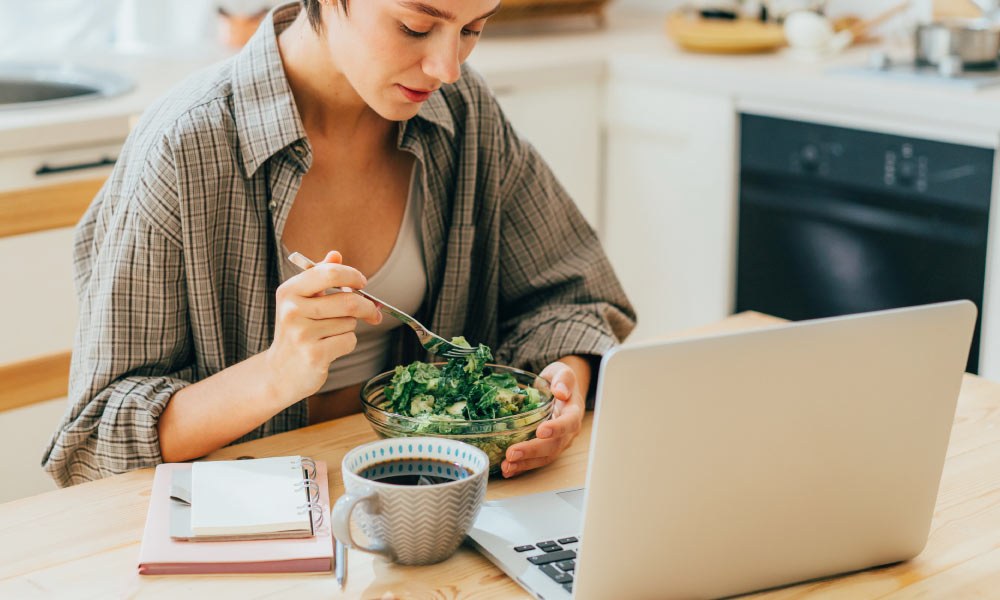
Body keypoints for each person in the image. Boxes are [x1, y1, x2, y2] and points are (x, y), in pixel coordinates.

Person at [42, 0, 635, 487]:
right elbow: (94, 439)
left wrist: (561, 385)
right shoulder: (185, 147)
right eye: (416, 26)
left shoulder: (463, 113)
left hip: (429, 506)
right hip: (247, 529)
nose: (447, 67)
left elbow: (572, 298)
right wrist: (275, 375)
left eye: (473, 29)